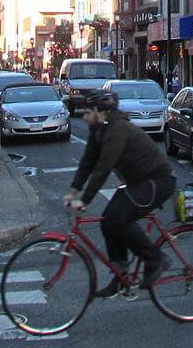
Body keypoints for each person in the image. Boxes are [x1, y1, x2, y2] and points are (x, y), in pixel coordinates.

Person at [63, 90, 176, 298]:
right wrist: (73, 191)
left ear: (100, 111)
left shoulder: (118, 129)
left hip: (157, 181)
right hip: (137, 182)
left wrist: (85, 199)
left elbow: (104, 167)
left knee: (118, 219)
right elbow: (88, 162)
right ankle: (120, 275)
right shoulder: (99, 129)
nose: (84, 116)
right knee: (107, 221)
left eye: (87, 112)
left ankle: (156, 258)